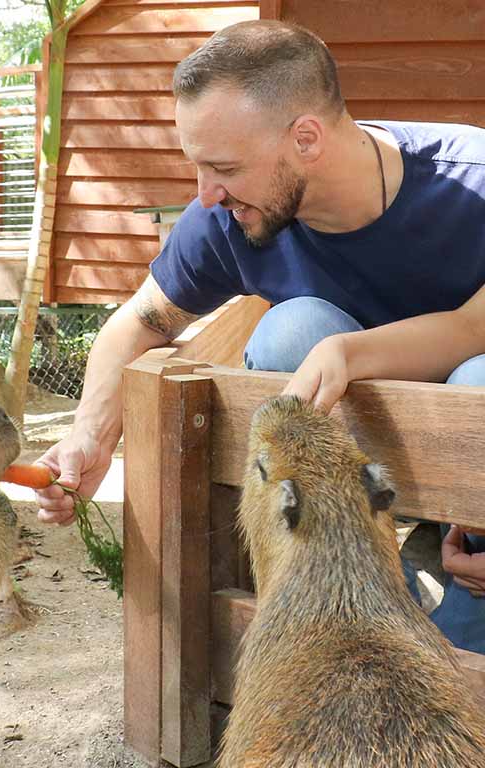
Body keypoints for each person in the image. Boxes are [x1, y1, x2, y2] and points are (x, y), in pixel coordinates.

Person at [33, 19, 485, 652]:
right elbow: (138, 322)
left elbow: (473, 327)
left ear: (305, 138)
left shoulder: (473, 181)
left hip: (474, 477)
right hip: (358, 485)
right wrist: (89, 437)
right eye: (197, 168)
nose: (205, 195)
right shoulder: (225, 215)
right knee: (291, 331)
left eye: (223, 167)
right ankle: (368, 610)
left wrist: (348, 353)